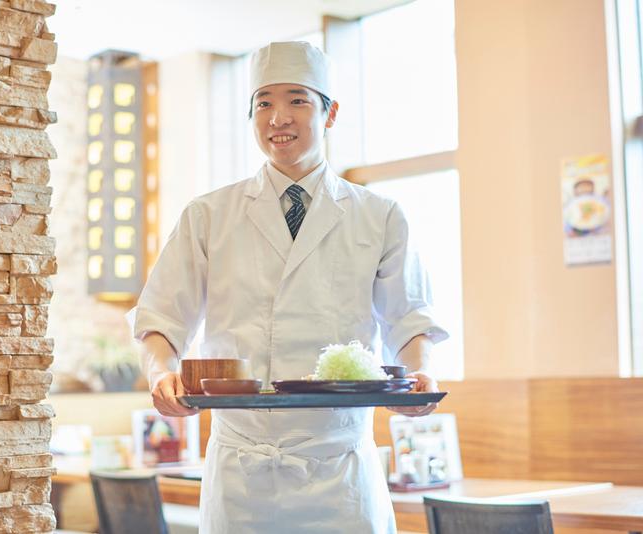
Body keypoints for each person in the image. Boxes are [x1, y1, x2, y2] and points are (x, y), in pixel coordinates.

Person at [130, 41, 448, 534]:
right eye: (264, 103)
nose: (279, 117)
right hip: (242, 473)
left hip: (339, 470)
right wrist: (159, 375)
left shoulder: (380, 215)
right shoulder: (209, 215)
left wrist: (421, 374)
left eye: (297, 100)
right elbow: (161, 318)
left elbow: (409, 320)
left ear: (330, 112)